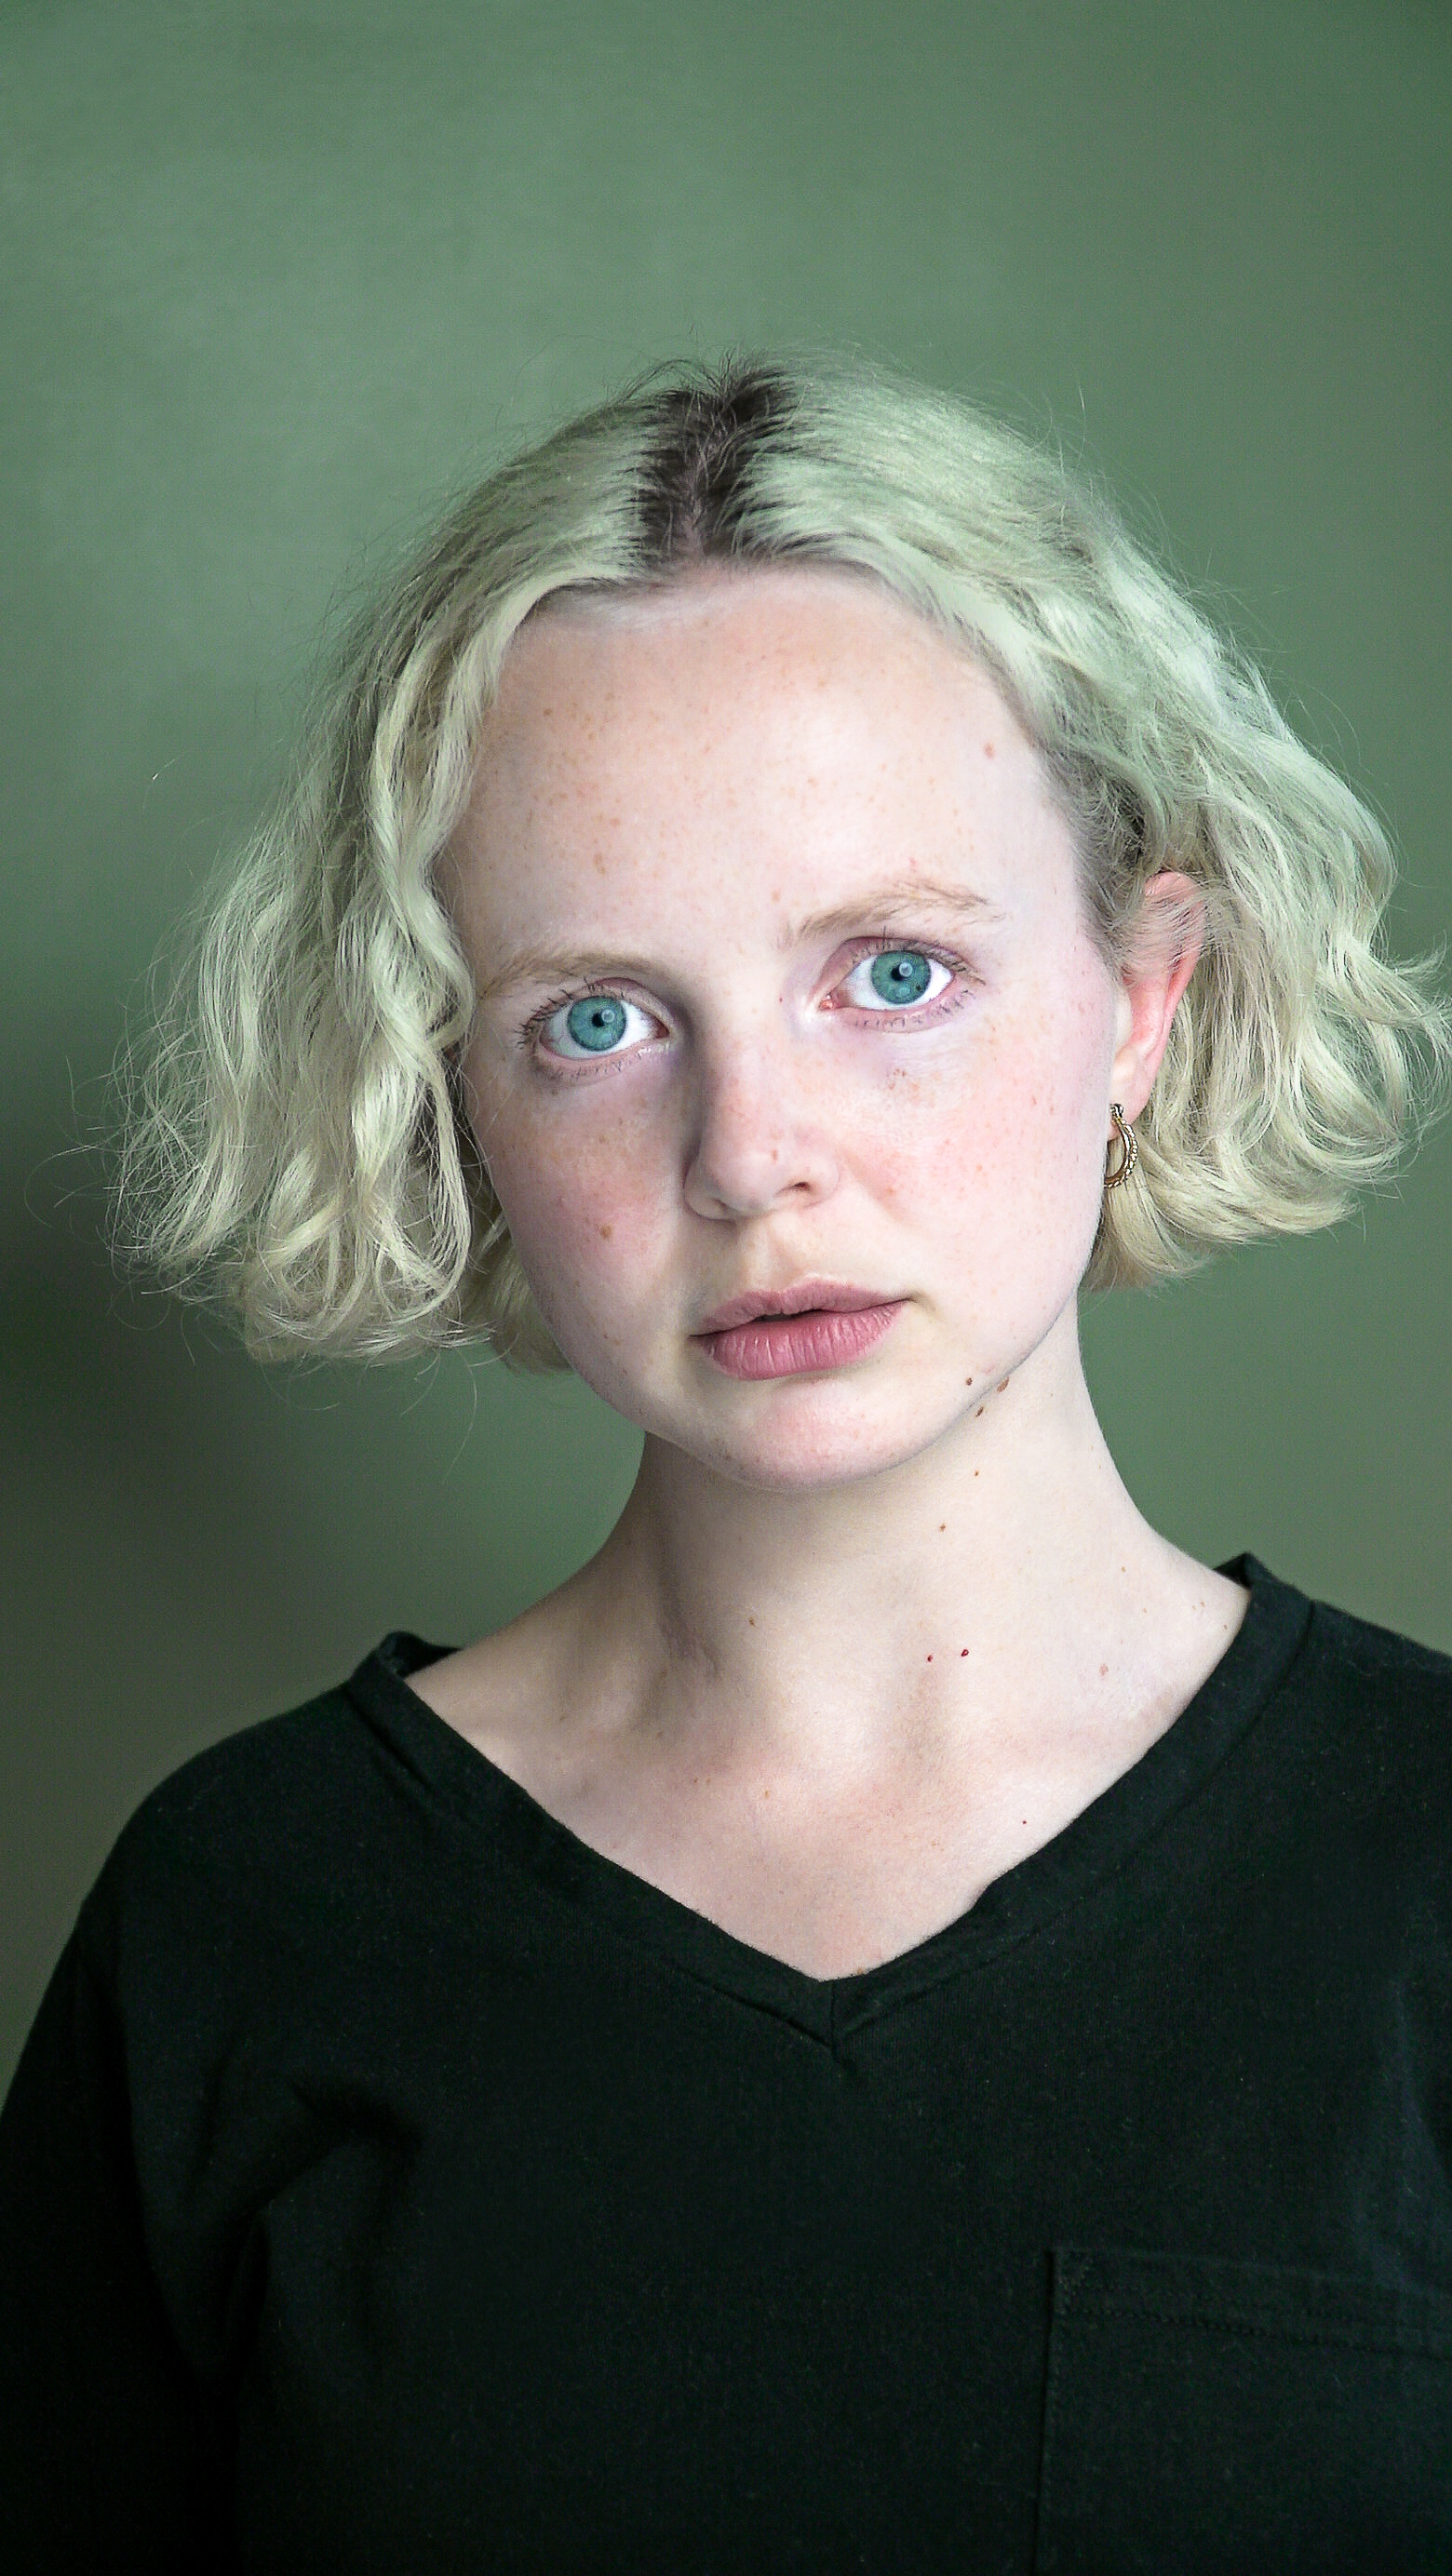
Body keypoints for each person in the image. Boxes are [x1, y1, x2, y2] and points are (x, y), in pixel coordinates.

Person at [4, 356, 1452, 2571]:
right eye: (596, 1020)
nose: (751, 1156)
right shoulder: (243, 1917)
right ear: (454, 1094)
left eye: (895, 971)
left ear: (1145, 996)